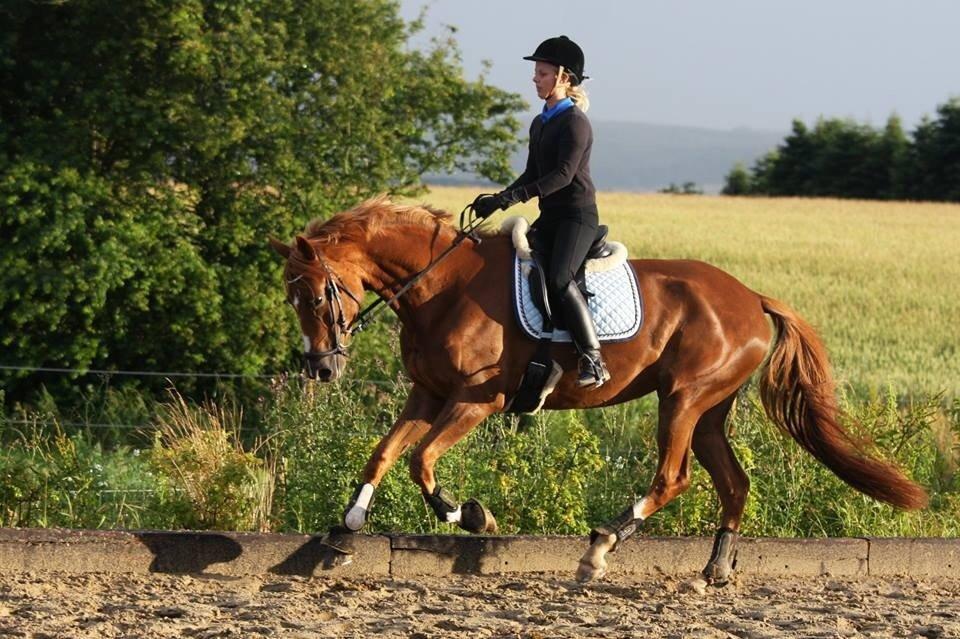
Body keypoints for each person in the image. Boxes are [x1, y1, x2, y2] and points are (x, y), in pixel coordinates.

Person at [475, 35, 610, 389]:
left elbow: (563, 177)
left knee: (559, 279)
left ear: (564, 78)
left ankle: (593, 358)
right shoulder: (541, 122)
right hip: (550, 216)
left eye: (543, 73)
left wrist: (512, 198)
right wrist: (499, 197)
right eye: (536, 72)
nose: (535, 78)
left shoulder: (575, 123)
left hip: (576, 216)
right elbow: (533, 174)